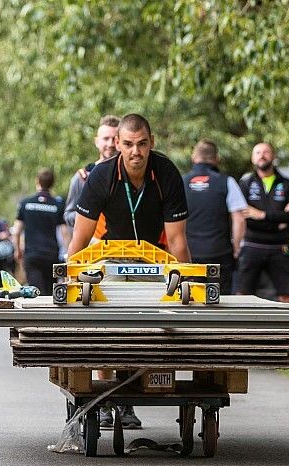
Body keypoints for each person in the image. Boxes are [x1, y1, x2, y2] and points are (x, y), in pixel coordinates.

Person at [69, 113, 190, 430]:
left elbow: (177, 240)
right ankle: (106, 398)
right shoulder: (101, 176)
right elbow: (80, 239)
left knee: (143, 331)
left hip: (154, 257)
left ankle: (126, 401)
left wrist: (189, 281)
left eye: (142, 144)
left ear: (152, 143)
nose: (136, 152)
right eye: (128, 144)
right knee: (107, 329)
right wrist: (67, 279)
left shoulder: (166, 173)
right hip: (110, 254)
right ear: (118, 145)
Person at [236, 143, 289, 360]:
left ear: (273, 156)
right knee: (242, 296)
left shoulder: (287, 183)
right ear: (252, 157)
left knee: (287, 295)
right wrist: (277, 218)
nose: (262, 155)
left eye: (266, 152)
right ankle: (239, 344)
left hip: (279, 248)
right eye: (258, 152)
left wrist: (262, 216)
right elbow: (241, 214)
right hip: (251, 246)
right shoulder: (245, 183)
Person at [182, 139, 247, 294]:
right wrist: (236, 248)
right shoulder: (227, 182)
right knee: (220, 302)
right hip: (219, 254)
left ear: (193, 156)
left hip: (190, 254)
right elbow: (239, 218)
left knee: (191, 300)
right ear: (217, 158)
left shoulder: (180, 182)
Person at [12, 168, 67, 296]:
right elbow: (64, 232)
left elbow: (16, 231)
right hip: (51, 255)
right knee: (49, 294)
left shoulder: (26, 203)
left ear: (37, 181)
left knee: (35, 292)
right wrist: (67, 252)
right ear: (52, 183)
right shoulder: (57, 205)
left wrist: (17, 250)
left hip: (32, 255)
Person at [63, 114, 120, 229]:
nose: (110, 144)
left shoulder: (134, 175)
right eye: (106, 138)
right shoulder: (82, 177)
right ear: (97, 141)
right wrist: (91, 214)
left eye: (114, 139)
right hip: (94, 244)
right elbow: (68, 215)